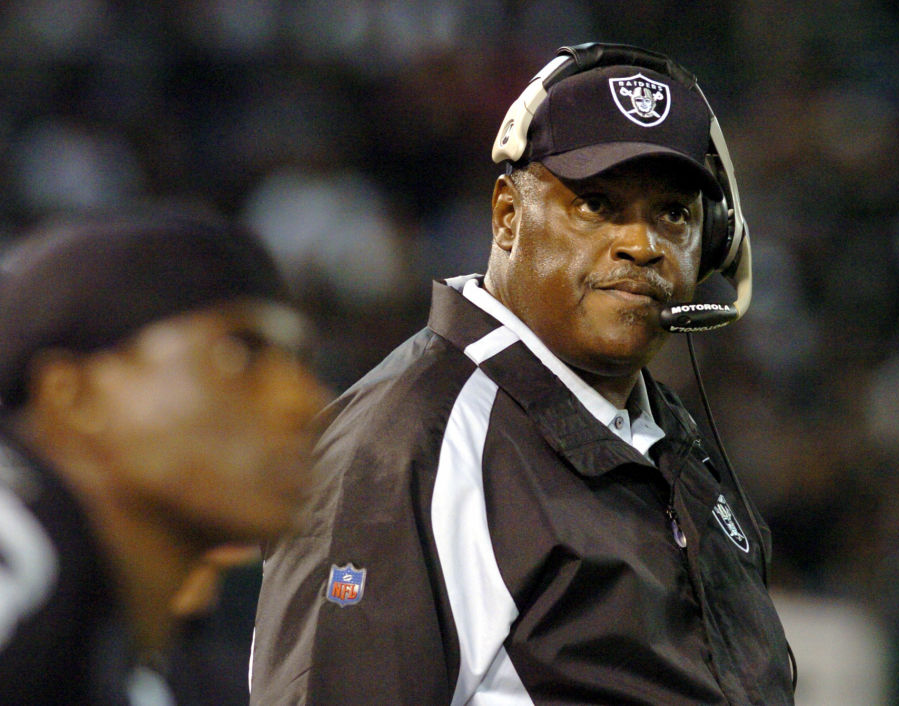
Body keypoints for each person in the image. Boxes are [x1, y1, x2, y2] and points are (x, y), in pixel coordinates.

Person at [251, 42, 795, 704]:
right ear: (508, 216)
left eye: (673, 214)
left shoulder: (664, 439)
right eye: (597, 205)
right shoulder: (407, 440)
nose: (643, 245)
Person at [0, 210, 329, 705]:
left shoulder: (114, 650)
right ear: (73, 396)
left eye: (299, 361)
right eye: (240, 353)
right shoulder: (18, 539)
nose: (304, 400)